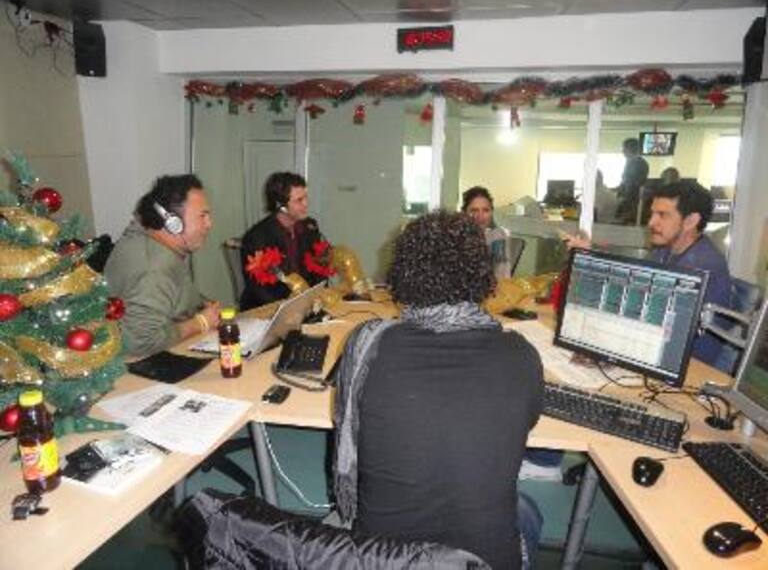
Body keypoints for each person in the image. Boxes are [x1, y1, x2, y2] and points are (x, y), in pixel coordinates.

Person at [333, 211, 544, 569]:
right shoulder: (522, 356)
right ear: (483, 274)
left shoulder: (365, 345)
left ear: (403, 273)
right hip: (483, 562)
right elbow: (525, 420)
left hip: (382, 559)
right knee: (528, 511)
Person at [563, 180, 731, 366]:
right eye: (652, 214)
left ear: (691, 221)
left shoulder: (702, 267)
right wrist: (590, 255)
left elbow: (658, 326)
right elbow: (632, 284)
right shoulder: (665, 251)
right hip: (653, 352)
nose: (651, 222)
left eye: (663, 215)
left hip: (687, 365)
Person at [104, 174, 219, 358]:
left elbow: (167, 294)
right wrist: (200, 322)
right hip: (138, 366)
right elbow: (139, 341)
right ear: (173, 223)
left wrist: (198, 305)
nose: (209, 224)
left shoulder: (146, 240)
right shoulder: (155, 268)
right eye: (202, 216)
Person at [240, 172, 329, 309]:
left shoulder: (310, 227)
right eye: (299, 200)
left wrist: (318, 297)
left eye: (306, 197)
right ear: (280, 206)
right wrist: (290, 309)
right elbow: (259, 290)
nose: (306, 204)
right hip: (270, 309)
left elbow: (320, 268)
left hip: (308, 304)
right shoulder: (257, 237)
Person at [462, 186, 512, 279]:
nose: (480, 216)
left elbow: (501, 275)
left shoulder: (497, 236)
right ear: (464, 213)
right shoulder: (457, 235)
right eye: (474, 210)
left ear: (492, 212)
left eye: (486, 210)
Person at [614, 138, 649, 224]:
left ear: (630, 149)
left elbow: (631, 185)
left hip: (631, 205)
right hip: (630, 202)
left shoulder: (637, 163)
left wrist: (623, 201)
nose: (622, 151)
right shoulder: (633, 162)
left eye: (624, 148)